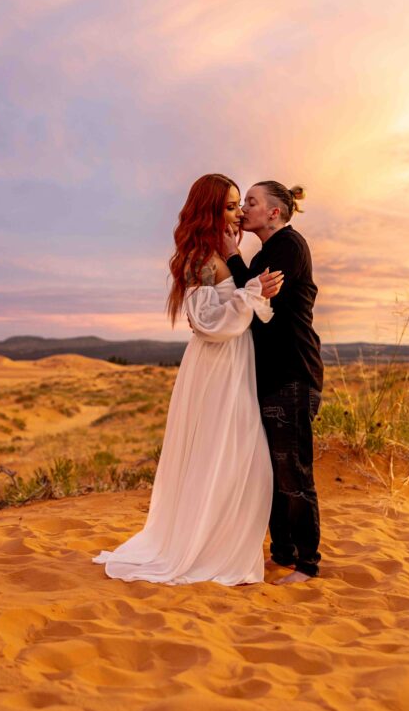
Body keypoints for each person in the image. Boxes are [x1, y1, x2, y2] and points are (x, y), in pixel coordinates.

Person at [92, 173, 283, 586]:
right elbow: (208, 322)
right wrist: (251, 293)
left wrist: (253, 291)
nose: (237, 213)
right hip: (217, 365)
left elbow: (237, 309)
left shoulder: (222, 253)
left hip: (236, 363)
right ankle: (207, 551)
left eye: (239, 205)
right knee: (224, 457)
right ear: (210, 209)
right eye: (230, 205)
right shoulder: (200, 257)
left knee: (242, 462)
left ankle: (224, 546)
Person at [223, 181, 323, 585]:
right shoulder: (268, 249)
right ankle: (283, 552)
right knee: (272, 471)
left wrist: (231, 254)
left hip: (292, 376)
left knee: (293, 472)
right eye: (242, 202)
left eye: (252, 202)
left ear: (275, 213)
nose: (244, 209)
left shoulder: (289, 246)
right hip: (272, 378)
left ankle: (307, 564)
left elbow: (255, 295)